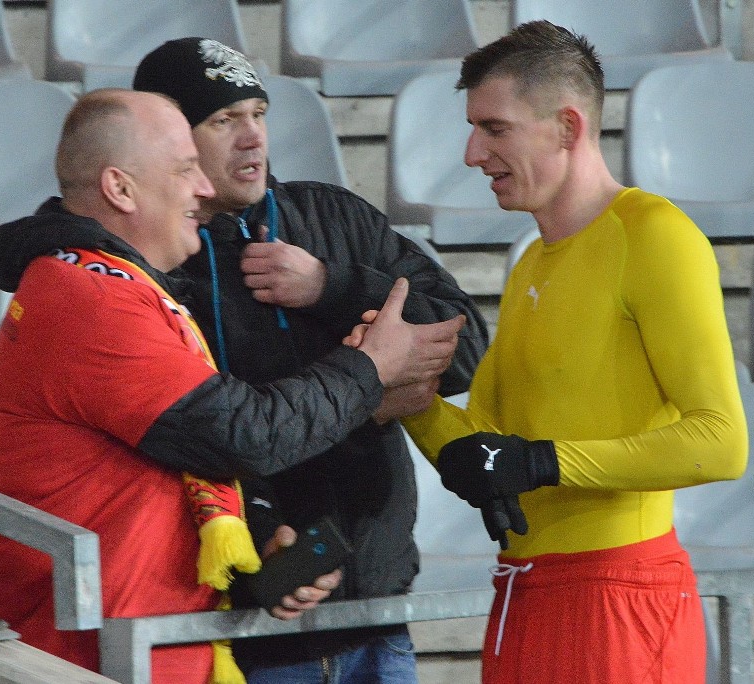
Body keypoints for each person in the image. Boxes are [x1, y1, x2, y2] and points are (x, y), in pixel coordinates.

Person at [0, 89, 465, 684]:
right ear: (120, 189)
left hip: (142, 645)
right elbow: (241, 434)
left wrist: (254, 556)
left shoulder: (113, 286)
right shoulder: (90, 297)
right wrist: (369, 367)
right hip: (95, 658)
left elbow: (169, 463)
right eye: (185, 171)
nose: (205, 190)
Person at [395, 20, 748, 684]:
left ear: (567, 126)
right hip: (527, 590)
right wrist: (404, 393)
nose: (472, 153)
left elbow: (722, 442)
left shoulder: (654, 236)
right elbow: (490, 456)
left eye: (494, 129)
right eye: (473, 128)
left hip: (620, 595)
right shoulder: (532, 262)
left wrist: (540, 461)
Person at [131, 37, 489, 683]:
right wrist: (263, 529)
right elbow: (207, 436)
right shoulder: (159, 265)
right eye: (223, 120)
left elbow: (469, 348)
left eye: (258, 114)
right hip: (248, 626)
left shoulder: (332, 216)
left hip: (378, 606)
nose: (251, 139)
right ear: (172, 141)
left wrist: (334, 286)